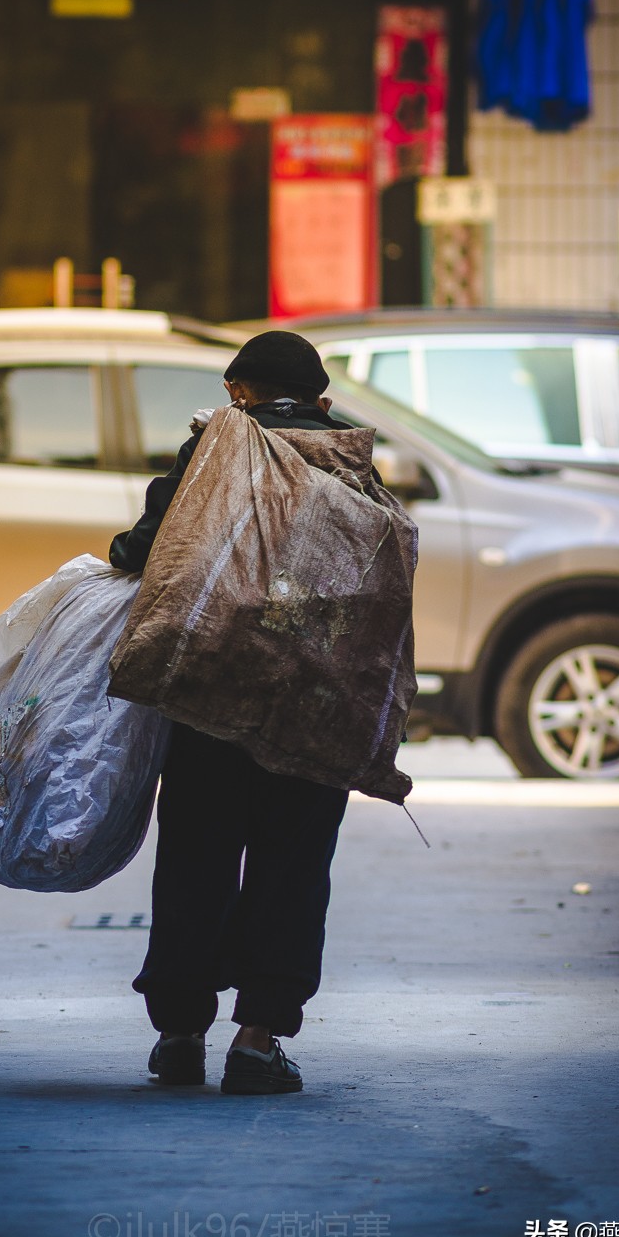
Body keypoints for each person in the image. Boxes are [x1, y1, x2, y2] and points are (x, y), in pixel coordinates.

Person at [109, 330, 360, 1096]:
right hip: (313, 704)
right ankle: (257, 1040)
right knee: (293, 863)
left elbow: (147, 551)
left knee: (196, 858)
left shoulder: (212, 449)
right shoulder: (350, 458)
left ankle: (181, 1036)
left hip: (210, 700)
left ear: (235, 391)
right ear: (320, 401)